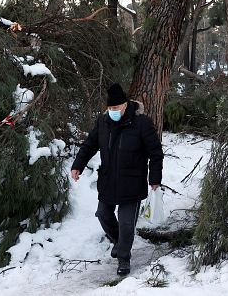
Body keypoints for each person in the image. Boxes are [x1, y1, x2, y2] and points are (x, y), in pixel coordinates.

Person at [70, 83, 164, 276]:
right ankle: (119, 243)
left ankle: (123, 258)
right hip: (108, 180)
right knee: (103, 214)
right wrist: (77, 165)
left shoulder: (141, 123)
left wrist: (155, 179)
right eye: (110, 108)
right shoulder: (103, 123)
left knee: (127, 224)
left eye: (116, 108)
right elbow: (89, 145)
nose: (113, 111)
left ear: (125, 105)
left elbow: (155, 153)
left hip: (132, 183)